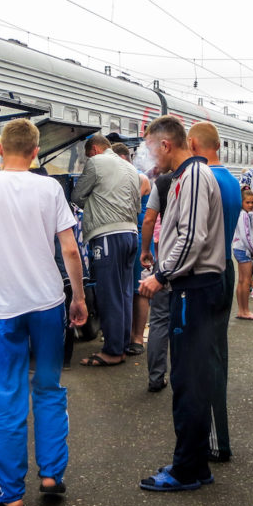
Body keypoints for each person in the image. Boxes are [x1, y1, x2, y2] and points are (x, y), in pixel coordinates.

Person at [0, 118, 88, 506]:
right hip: (48, 304)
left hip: (3, 310)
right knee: (47, 388)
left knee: (6, 396)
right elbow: (70, 250)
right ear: (35, 151)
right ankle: (50, 474)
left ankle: (10, 493)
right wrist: (77, 297)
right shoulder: (49, 188)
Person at [138, 116, 225, 492]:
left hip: (193, 288)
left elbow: (192, 236)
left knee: (188, 380)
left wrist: (162, 275)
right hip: (195, 287)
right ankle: (193, 461)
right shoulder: (187, 178)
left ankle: (186, 470)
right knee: (192, 377)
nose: (148, 156)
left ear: (166, 145)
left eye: (149, 147)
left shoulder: (190, 178)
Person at [187, 121, 241, 464]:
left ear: (192, 144)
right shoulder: (232, 181)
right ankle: (217, 436)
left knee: (202, 360)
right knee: (217, 355)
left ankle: (213, 441)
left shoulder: (205, 181)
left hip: (206, 275)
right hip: (226, 268)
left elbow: (196, 237)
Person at [72, 134, 142, 366]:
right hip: (131, 234)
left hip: (107, 236)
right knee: (124, 293)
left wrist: (94, 204)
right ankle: (121, 345)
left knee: (109, 294)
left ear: (93, 150)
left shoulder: (96, 162)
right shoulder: (130, 168)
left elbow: (77, 196)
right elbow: (137, 203)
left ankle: (112, 351)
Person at [112, 141, 151, 356]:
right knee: (127, 289)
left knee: (139, 289)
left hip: (138, 236)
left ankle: (137, 337)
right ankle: (127, 335)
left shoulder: (138, 177)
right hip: (128, 235)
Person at [140, 170, 174, 392]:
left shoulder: (161, 183)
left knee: (159, 320)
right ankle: (186, 376)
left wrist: (145, 250)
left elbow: (149, 218)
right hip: (192, 262)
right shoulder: (201, 176)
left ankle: (156, 377)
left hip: (164, 259)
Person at [232, 188, 253, 320]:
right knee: (245, 282)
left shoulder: (241, 214)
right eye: (248, 202)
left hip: (239, 248)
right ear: (241, 202)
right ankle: (244, 311)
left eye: (252, 202)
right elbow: (246, 236)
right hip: (244, 250)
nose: (251, 205)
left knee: (241, 281)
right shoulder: (244, 215)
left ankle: (242, 310)